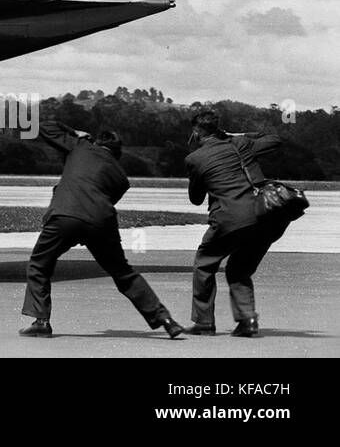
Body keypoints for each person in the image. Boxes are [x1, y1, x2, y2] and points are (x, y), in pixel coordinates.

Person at [20, 120, 184, 339]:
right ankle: (165, 319)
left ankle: (41, 320)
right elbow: (109, 199)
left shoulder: (81, 146)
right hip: (101, 221)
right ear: (118, 152)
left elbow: (45, 126)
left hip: (65, 215)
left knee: (40, 264)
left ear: (96, 141)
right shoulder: (121, 178)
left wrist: (74, 131)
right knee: (123, 273)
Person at [185, 110, 289, 337]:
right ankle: (247, 321)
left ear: (196, 131)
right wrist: (238, 134)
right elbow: (275, 139)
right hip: (265, 218)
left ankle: (204, 323)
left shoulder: (195, 159)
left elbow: (196, 199)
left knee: (204, 265)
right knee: (239, 269)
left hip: (229, 219)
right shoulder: (240, 144)